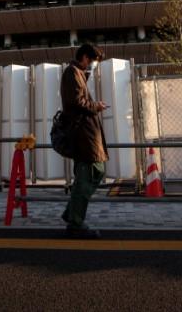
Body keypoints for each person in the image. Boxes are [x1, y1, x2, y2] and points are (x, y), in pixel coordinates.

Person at [60, 43, 109, 238]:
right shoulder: (73, 72)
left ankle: (73, 215)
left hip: (85, 134)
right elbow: (78, 102)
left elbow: (78, 100)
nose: (92, 65)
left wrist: (95, 105)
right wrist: (96, 106)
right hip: (83, 135)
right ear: (85, 58)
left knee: (90, 174)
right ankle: (75, 223)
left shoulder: (76, 73)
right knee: (90, 174)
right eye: (93, 60)